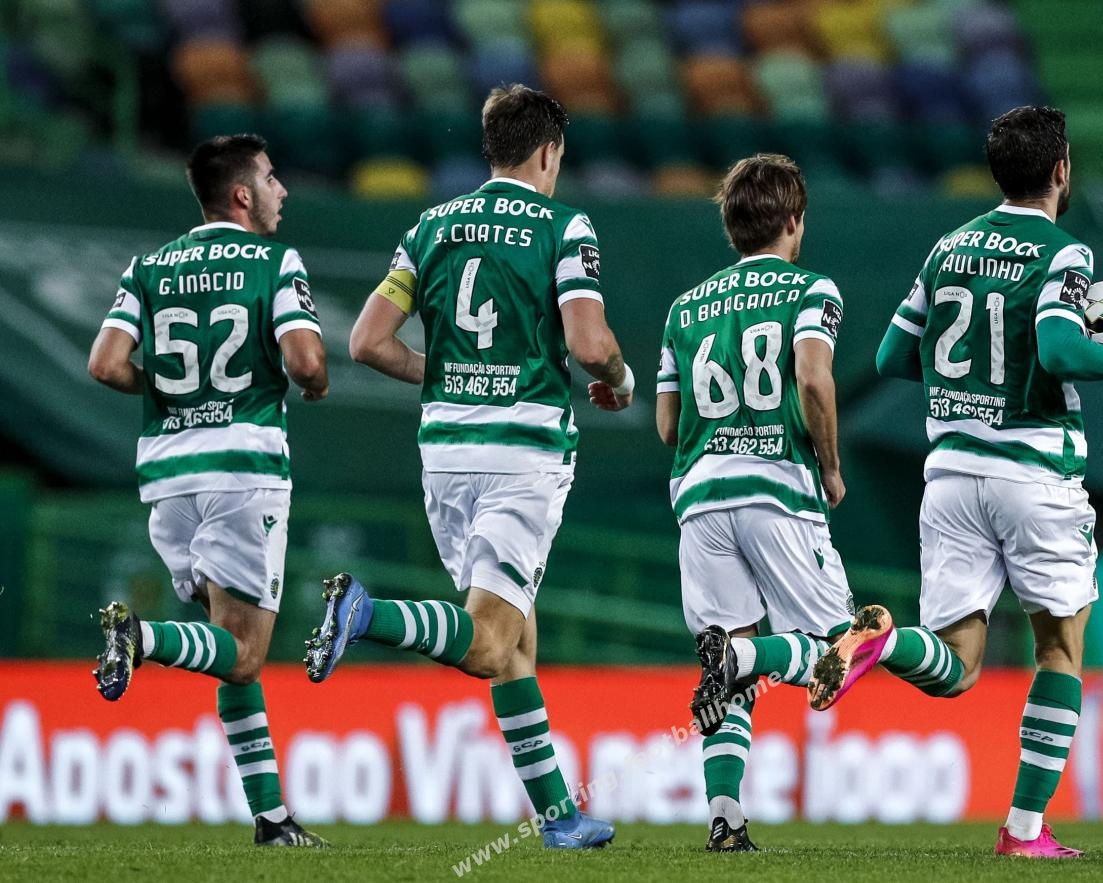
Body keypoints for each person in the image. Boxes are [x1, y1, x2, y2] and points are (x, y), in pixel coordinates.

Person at [806, 106, 1103, 858]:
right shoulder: (1064, 253)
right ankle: (1024, 831)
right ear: (1061, 170)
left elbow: (891, 356)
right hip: (1033, 470)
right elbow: (1060, 349)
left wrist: (966, 380)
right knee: (1060, 649)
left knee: (956, 668)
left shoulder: (949, 246)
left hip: (950, 474)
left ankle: (885, 641)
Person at [302, 85, 632, 849]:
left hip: (446, 454)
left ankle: (558, 815)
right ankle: (367, 614)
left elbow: (367, 342)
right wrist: (620, 380)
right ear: (549, 152)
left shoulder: (430, 227)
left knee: (516, 641)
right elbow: (589, 345)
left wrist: (449, 374)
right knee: (487, 642)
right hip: (521, 454)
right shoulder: (564, 225)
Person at [89, 134, 329, 847]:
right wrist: (314, 383)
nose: (283, 191)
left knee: (228, 650)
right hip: (242, 471)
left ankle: (271, 817)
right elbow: (305, 360)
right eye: (272, 178)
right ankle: (140, 636)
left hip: (168, 478)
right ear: (242, 194)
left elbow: (105, 364)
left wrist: (169, 391)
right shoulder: (274, 262)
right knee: (246, 651)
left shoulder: (149, 267)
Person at [656, 154, 852, 852]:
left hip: (700, 497)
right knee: (838, 655)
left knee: (725, 670)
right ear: (793, 221)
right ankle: (743, 657)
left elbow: (668, 425)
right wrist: (830, 465)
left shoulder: (684, 308)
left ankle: (725, 818)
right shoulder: (811, 289)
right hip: (776, 488)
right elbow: (813, 379)